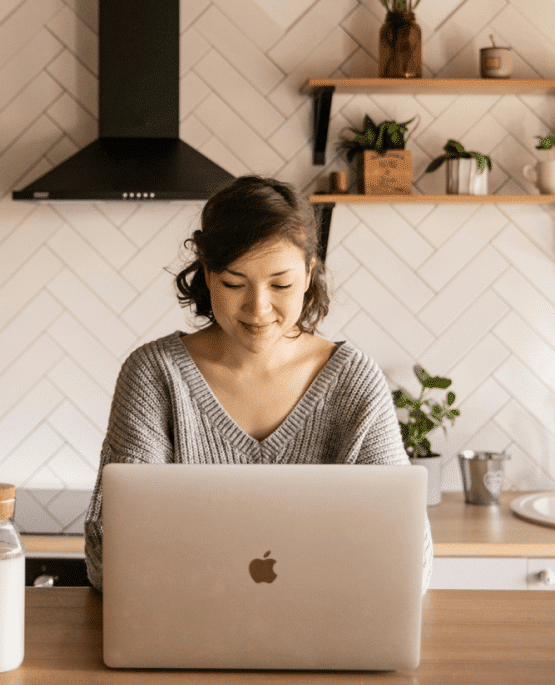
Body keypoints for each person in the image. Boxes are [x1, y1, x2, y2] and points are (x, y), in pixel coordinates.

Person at [84, 175, 432, 594]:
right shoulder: (154, 376)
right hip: (186, 637)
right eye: (234, 283)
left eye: (281, 284)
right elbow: (108, 558)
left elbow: (409, 559)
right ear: (207, 275)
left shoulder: (353, 382)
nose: (258, 308)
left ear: (308, 275)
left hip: (324, 637)